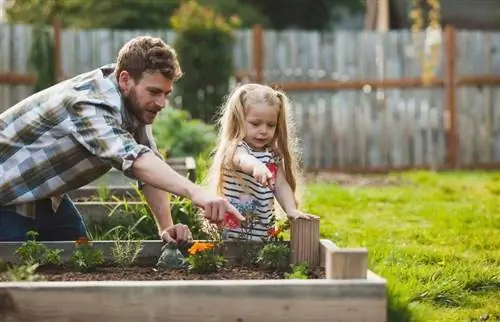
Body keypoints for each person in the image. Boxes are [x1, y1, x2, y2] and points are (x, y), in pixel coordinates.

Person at [0, 36, 244, 243]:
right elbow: (134, 159)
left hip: (42, 196)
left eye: (166, 94)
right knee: (14, 274)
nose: (161, 103)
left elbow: (148, 162)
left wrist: (165, 227)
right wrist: (197, 193)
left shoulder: (131, 102)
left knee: (82, 258)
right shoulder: (88, 104)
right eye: (154, 92)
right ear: (126, 79)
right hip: (7, 197)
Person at [204, 83, 318, 241]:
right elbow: (242, 159)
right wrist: (256, 167)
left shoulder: (272, 155)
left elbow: (281, 185)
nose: (263, 130)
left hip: (263, 235)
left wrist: (291, 209)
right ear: (239, 120)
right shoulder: (235, 148)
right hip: (232, 237)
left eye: (270, 125)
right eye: (255, 124)